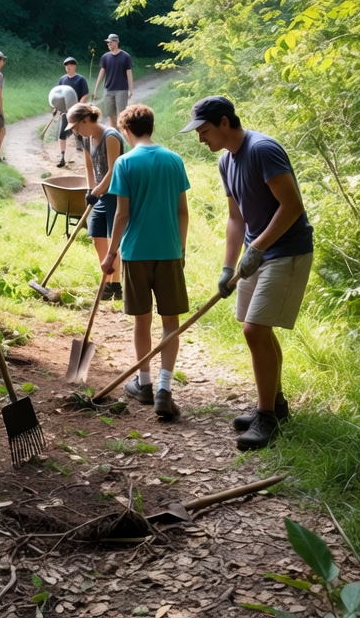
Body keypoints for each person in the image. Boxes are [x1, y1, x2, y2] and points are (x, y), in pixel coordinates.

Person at [180, 96, 314, 450]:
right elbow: (236, 218)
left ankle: (266, 418)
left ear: (225, 123)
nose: (201, 139)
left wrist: (256, 250)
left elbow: (291, 205)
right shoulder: (226, 160)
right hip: (258, 253)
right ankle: (275, 405)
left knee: (256, 329)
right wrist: (228, 265)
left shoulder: (262, 150)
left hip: (286, 250)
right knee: (256, 330)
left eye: (204, 131)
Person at [100, 104, 189, 421]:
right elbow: (182, 211)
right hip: (169, 250)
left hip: (136, 252)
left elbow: (121, 215)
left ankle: (146, 383)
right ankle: (165, 389)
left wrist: (110, 254)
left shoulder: (125, 163)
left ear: (126, 130)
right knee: (170, 321)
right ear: (151, 126)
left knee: (142, 320)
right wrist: (181, 248)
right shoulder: (174, 160)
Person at [66, 102, 125, 300]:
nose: (75, 131)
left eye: (76, 126)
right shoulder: (86, 139)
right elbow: (89, 167)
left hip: (116, 193)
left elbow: (113, 171)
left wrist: (97, 191)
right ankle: (107, 280)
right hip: (100, 194)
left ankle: (115, 285)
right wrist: (90, 190)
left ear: (86, 120)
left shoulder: (111, 136)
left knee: (112, 239)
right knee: (96, 235)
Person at [55, 57, 90, 167]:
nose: (68, 67)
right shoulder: (62, 79)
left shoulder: (80, 79)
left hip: (76, 109)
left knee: (79, 130)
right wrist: (56, 107)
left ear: (75, 66)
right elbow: (58, 95)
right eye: (66, 65)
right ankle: (62, 156)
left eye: (70, 64)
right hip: (65, 110)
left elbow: (85, 93)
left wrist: (80, 104)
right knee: (62, 133)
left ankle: (86, 153)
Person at [93, 34, 133, 127]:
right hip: (108, 90)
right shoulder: (105, 57)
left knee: (121, 114)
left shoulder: (125, 56)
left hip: (121, 90)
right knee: (110, 114)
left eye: (110, 42)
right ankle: (113, 134)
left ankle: (121, 136)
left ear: (116, 42)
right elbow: (102, 72)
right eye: (107, 43)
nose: (108, 44)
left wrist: (131, 89)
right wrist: (96, 88)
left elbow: (129, 73)